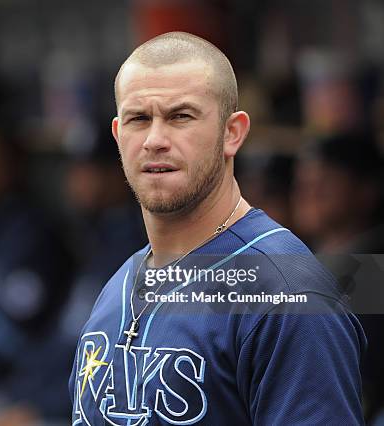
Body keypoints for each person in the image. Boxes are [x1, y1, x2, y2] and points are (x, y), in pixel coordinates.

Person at [69, 32, 366, 425]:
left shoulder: (289, 293)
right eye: (139, 119)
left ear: (233, 133)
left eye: (181, 116)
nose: (155, 140)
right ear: (118, 135)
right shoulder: (119, 285)